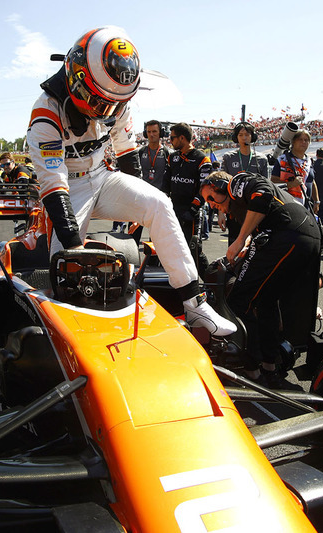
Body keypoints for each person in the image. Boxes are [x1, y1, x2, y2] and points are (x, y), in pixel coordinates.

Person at [26, 26, 235, 337]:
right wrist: (74, 247)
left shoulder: (116, 101)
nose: (108, 112)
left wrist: (138, 202)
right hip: (69, 187)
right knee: (65, 263)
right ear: (77, 79)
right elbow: (54, 187)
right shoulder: (46, 114)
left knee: (158, 204)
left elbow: (126, 152)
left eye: (116, 104)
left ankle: (194, 302)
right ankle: (66, 334)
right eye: (101, 102)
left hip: (102, 176)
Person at [200, 171, 322, 389]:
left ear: (220, 185)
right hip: (305, 236)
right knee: (266, 300)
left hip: (288, 232)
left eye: (210, 197)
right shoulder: (241, 209)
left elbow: (262, 194)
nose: (210, 205)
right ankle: (269, 366)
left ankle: (251, 368)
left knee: (239, 300)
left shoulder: (236, 183)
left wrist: (239, 241)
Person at [164, 122, 212, 274]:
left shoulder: (202, 160)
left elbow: (205, 188)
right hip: (174, 210)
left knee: (193, 252)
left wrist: (193, 209)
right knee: (172, 249)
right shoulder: (172, 158)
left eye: (172, 138)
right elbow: (166, 184)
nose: (170, 141)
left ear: (182, 138)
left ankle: (210, 283)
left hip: (191, 213)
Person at [221, 121, 268, 244]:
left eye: (247, 134)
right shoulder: (228, 157)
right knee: (234, 246)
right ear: (236, 137)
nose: (244, 138)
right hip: (234, 211)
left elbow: (267, 187)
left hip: (255, 211)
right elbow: (222, 187)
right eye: (240, 135)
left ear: (253, 137)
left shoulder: (262, 159)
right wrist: (221, 212)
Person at [271, 128, 313, 206]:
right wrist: (290, 184)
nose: (303, 142)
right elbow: (273, 181)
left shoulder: (309, 161)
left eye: (306, 140)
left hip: (305, 205)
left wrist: (317, 201)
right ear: (293, 141)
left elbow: (311, 181)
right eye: (300, 139)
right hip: (285, 203)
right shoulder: (282, 159)